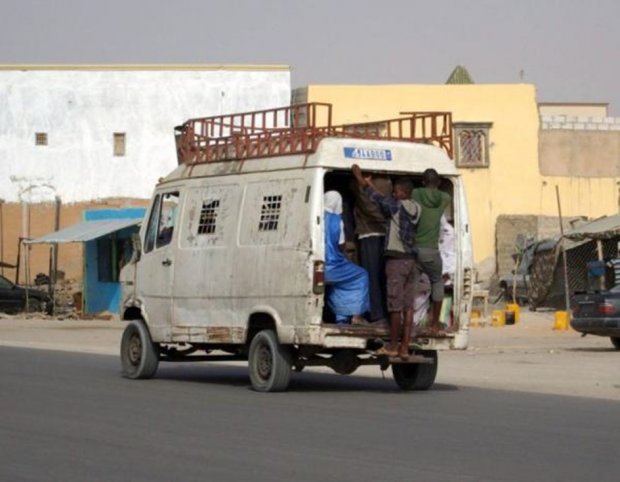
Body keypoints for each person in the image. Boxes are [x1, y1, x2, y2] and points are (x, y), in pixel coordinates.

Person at [351, 164, 420, 359]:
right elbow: (385, 199)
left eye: (396, 192)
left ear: (403, 192)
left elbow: (378, 200)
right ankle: (404, 347)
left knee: (395, 306)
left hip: (397, 260)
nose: (394, 194)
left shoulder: (396, 208)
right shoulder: (415, 208)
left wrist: (360, 180)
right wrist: (371, 183)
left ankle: (392, 345)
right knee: (408, 307)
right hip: (412, 261)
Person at [411, 168, 451, 334]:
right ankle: (434, 323)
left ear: (422, 181)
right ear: (439, 183)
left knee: (410, 286)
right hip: (432, 251)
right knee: (437, 282)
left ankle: (407, 323)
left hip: (415, 249)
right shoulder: (445, 198)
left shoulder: (416, 193)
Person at [323, 191, 370, 324]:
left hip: (316, 267)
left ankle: (341, 319)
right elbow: (341, 245)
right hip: (333, 266)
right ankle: (356, 315)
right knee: (361, 275)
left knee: (342, 282)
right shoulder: (338, 221)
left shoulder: (315, 217)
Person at [352, 175, 392, 325]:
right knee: (382, 276)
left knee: (372, 277)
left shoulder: (365, 186)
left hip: (370, 234)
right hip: (385, 235)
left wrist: (358, 178)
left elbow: (367, 204)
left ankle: (376, 314)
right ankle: (384, 313)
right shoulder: (387, 182)